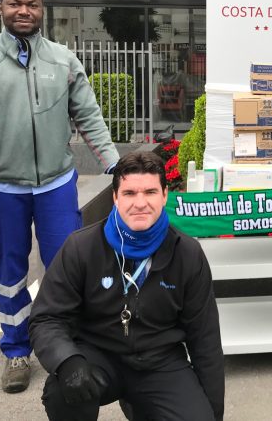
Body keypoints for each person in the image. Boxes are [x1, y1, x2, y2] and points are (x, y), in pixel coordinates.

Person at [0, 0, 119, 393]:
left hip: (56, 185)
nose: (24, 11)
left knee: (67, 266)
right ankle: (17, 350)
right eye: (15, 4)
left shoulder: (62, 60)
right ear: (0, 9)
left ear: (43, 11)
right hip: (2, 188)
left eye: (32, 4)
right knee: (10, 272)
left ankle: (69, 344)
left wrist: (115, 164)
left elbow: (89, 116)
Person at [29, 151, 224, 420]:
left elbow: (205, 341)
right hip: (99, 355)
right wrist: (67, 360)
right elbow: (47, 318)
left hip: (160, 362)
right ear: (115, 197)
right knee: (62, 393)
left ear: (165, 195)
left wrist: (213, 414)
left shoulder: (187, 254)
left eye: (150, 192)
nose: (140, 203)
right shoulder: (81, 247)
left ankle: (141, 407)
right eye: (130, 193)